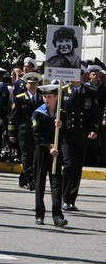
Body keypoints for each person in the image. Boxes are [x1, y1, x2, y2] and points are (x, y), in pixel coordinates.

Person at [60, 80, 100, 211]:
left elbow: (95, 114)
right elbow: (58, 111)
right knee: (68, 165)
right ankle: (64, 198)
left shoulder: (90, 92)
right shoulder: (63, 90)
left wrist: (94, 129)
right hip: (67, 134)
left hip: (82, 135)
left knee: (77, 168)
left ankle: (72, 199)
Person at [31, 84, 67, 227]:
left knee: (56, 184)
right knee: (40, 184)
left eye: (49, 96)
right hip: (42, 152)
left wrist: (61, 126)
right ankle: (39, 214)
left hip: (56, 154)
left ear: (56, 97)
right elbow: (36, 136)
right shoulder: (38, 113)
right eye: (44, 96)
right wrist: (49, 148)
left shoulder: (61, 113)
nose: (46, 99)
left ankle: (57, 216)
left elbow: (66, 133)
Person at [8, 72, 42, 190]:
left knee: (33, 157)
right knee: (26, 156)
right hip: (24, 132)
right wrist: (11, 133)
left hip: (37, 132)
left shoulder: (42, 97)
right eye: (30, 84)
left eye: (35, 84)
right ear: (26, 85)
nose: (32, 86)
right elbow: (13, 118)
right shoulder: (20, 98)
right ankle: (30, 179)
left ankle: (23, 179)